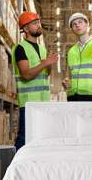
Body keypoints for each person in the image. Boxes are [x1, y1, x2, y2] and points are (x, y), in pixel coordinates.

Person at [12, 12, 58, 151]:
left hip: (43, 102)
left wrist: (49, 65)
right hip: (29, 102)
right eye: (34, 23)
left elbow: (46, 74)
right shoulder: (21, 48)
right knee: (24, 138)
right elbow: (26, 74)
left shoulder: (42, 48)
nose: (39, 25)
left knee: (40, 137)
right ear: (25, 29)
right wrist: (45, 63)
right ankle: (14, 168)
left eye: (38, 22)